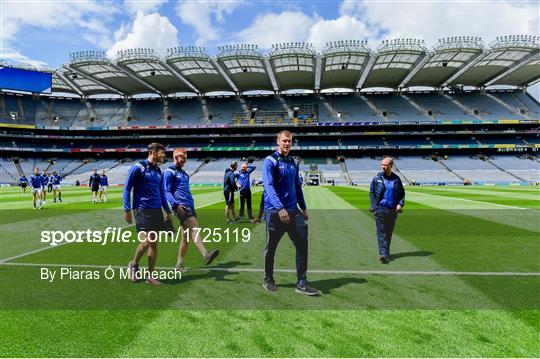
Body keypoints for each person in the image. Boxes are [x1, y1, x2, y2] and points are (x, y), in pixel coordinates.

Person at [262, 130, 319, 296]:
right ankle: (268, 278)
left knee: (302, 244)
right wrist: (280, 208)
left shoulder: (294, 162)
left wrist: (304, 208)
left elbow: (297, 186)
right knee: (271, 247)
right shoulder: (270, 161)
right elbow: (269, 186)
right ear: (278, 141)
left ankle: (302, 282)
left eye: (290, 141)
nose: (287, 144)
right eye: (284, 141)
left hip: (293, 211)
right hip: (275, 211)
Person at [163, 148, 220, 272]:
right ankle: (206, 254)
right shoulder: (169, 171)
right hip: (180, 206)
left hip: (190, 206)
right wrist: (175, 205)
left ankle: (179, 264)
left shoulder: (184, 173)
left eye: (185, 159)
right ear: (176, 157)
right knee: (194, 226)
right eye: (183, 158)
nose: (184, 161)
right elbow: (166, 191)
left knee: (186, 237)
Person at [124, 143, 173, 285]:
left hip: (156, 210)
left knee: (154, 244)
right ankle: (133, 264)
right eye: (162, 153)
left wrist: (168, 211)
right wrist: (127, 209)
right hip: (142, 209)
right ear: (153, 152)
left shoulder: (159, 171)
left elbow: (162, 193)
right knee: (147, 242)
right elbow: (127, 189)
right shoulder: (138, 168)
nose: (164, 155)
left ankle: (150, 276)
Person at [369, 156, 405, 264]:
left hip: (393, 211)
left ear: (391, 166)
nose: (383, 167)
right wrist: (375, 207)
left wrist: (400, 203)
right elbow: (371, 193)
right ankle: (383, 254)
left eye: (385, 165)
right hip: (380, 209)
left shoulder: (396, 179)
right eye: (382, 165)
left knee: (388, 233)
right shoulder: (377, 178)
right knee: (381, 233)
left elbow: (402, 193)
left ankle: (386, 252)